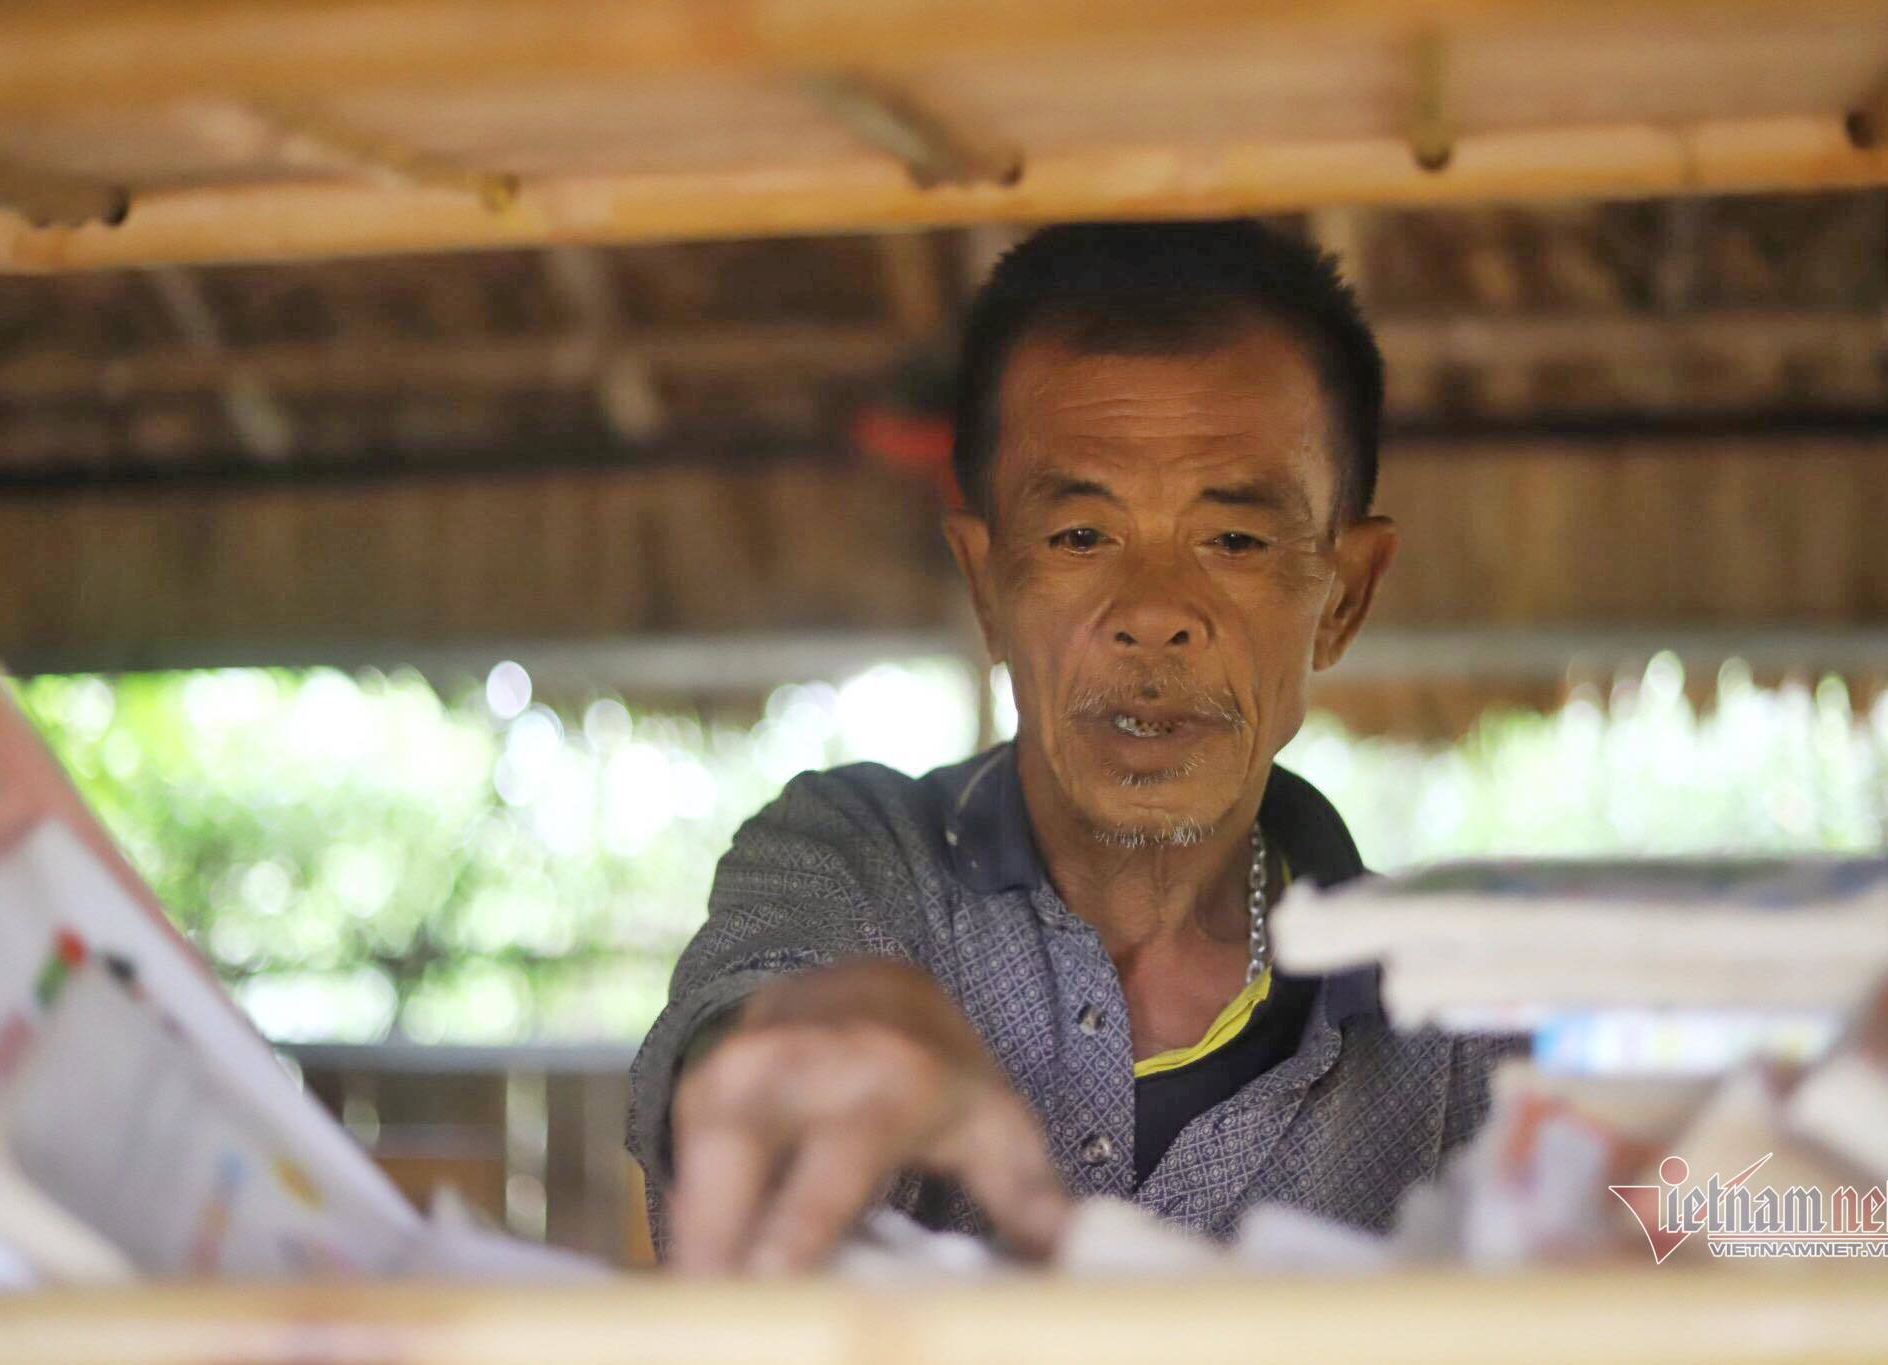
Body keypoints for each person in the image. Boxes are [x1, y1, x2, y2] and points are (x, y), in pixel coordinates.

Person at [627, 220, 1516, 1273]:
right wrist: (789, 1041)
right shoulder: (857, 861)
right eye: (1078, 536)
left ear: (1343, 596)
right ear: (985, 585)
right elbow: (746, 1027)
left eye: (1232, 538)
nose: (1151, 614)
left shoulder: (1453, 1035)